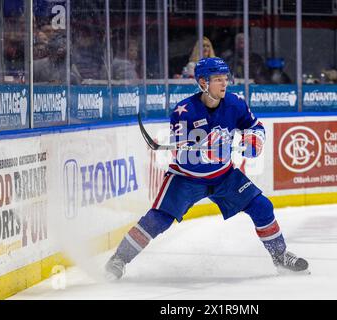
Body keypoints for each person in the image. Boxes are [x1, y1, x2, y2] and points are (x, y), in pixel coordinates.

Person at [105, 57, 309, 280]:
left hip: (224, 176)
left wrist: (254, 140)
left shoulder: (235, 104)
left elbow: (254, 126)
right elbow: (181, 155)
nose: (224, 84)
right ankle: (119, 260)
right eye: (218, 80)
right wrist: (204, 152)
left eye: (225, 79)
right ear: (203, 83)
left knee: (262, 206)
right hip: (186, 178)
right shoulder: (184, 111)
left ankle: (280, 257)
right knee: (158, 219)